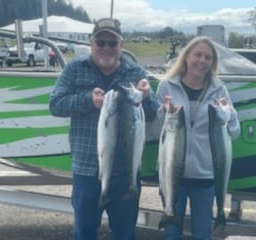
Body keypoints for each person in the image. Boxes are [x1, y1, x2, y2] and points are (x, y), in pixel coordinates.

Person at [49, 18, 159, 240]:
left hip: (126, 172)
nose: (106, 48)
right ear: (91, 43)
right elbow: (55, 105)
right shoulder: (74, 69)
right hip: (86, 171)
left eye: (112, 42)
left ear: (122, 44)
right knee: (84, 233)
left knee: (125, 234)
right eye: (101, 42)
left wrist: (146, 97)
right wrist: (88, 101)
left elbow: (154, 110)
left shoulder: (135, 71)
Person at [155, 36, 240, 240]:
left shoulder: (219, 89)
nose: (202, 61)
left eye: (207, 57)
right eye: (197, 55)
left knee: (202, 233)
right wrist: (162, 112)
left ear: (212, 63)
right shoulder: (167, 86)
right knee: (171, 233)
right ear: (186, 57)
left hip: (205, 174)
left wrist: (230, 114)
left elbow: (234, 132)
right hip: (171, 173)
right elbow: (154, 130)